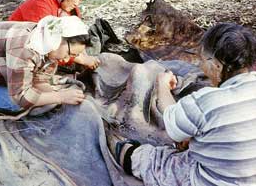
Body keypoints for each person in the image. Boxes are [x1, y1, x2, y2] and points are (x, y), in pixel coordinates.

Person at [108, 23, 256, 186]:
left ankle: (128, 155)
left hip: (212, 181)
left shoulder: (206, 102)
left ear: (217, 66)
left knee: (146, 158)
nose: (201, 66)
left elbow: (170, 113)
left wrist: (162, 85)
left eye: (203, 60)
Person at [0, 16, 89, 112]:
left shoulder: (48, 44)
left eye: (74, 56)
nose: (67, 60)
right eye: (70, 53)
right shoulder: (26, 49)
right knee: (15, 105)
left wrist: (54, 93)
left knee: (43, 97)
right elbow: (21, 97)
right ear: (59, 39)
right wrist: (60, 97)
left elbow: (40, 79)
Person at [8, 0, 100, 70]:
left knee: (93, 48)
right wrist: (82, 59)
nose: (77, 3)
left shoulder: (68, 8)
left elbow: (77, 38)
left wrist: (82, 55)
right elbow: (44, 43)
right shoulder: (41, 2)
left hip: (52, 50)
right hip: (17, 50)